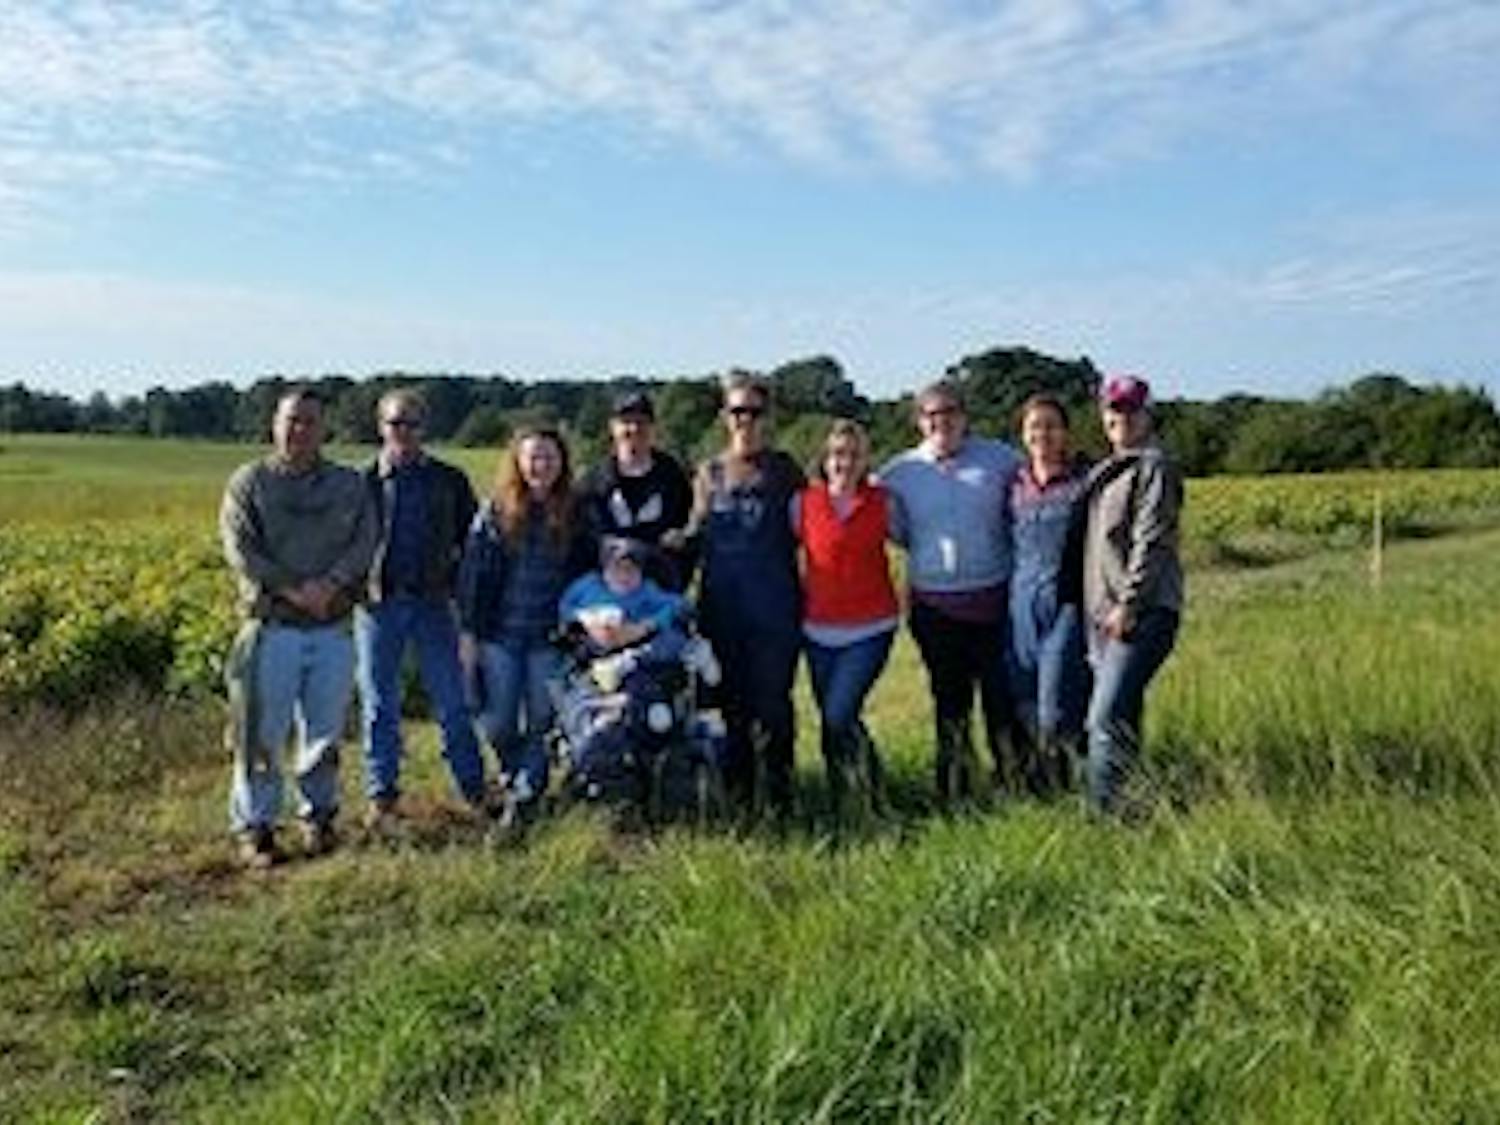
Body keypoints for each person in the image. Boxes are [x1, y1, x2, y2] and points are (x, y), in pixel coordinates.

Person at [220, 388, 377, 868]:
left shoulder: (348, 484)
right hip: (273, 627)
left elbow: (366, 539)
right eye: (291, 420)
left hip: (331, 628)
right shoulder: (250, 483)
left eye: (309, 421)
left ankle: (319, 816)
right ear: (274, 424)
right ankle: (256, 827)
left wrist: (331, 583)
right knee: (261, 733)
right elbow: (240, 548)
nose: (299, 430)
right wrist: (292, 589)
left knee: (324, 731)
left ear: (323, 428)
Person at [880, 379, 1024, 804]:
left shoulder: (1001, 459)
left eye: (950, 412)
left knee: (1002, 701)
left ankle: (1014, 785)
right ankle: (955, 791)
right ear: (918, 422)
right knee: (950, 704)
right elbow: (896, 530)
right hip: (934, 609)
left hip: (995, 603)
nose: (941, 422)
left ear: (965, 416)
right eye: (931, 414)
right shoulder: (900, 472)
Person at [354, 388, 485, 832]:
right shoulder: (361, 482)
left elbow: (475, 543)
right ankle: (382, 796)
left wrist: (465, 595)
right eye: (396, 424)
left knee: (452, 700)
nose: (404, 433)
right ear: (381, 427)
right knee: (379, 704)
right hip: (378, 604)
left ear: (424, 429)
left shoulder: (450, 480)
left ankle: (473, 788)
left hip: (434, 603)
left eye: (412, 424)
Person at [456, 426, 591, 827]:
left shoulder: (576, 513)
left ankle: (526, 795)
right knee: (496, 721)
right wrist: (468, 633)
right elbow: (473, 576)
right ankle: (516, 773)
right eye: (533, 456)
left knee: (540, 721)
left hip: (549, 639)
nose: (541, 465)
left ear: (562, 462)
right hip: (501, 634)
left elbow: (587, 573)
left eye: (549, 456)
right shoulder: (495, 510)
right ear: (518, 461)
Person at [689, 372, 806, 814]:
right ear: (725, 416)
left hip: (775, 607)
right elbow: (695, 535)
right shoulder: (708, 472)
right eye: (738, 411)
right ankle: (737, 796)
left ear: (766, 416)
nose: (746, 420)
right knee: (729, 705)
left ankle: (781, 794)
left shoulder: (785, 470)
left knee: (773, 704)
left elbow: (813, 528)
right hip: (721, 608)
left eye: (754, 411)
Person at [1079, 374, 1184, 815]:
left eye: (1130, 408)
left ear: (1147, 413)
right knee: (1123, 715)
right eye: (1113, 409)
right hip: (1103, 614)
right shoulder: (1108, 470)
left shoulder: (1152, 466)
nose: (1120, 417)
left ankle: (1103, 815)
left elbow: (1152, 540)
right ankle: (1133, 805)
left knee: (1101, 720)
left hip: (1140, 613)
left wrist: (1130, 604)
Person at [792, 419, 899, 819]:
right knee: (836, 721)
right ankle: (847, 797)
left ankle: (870, 793)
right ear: (825, 458)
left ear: (865, 460)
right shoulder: (803, 503)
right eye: (838, 454)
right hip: (818, 630)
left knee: (838, 715)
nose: (845, 463)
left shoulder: (883, 502)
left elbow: (912, 538)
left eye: (854, 455)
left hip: (871, 627)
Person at [1007, 393, 1091, 795]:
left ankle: (1081, 778)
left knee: (1056, 704)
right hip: (1021, 600)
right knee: (1023, 699)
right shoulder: (1014, 483)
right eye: (1034, 426)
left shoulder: (1085, 481)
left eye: (1051, 425)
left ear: (1066, 432)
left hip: (1069, 600)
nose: (1043, 433)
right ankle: (1045, 786)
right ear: (1023, 435)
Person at [575, 390, 695, 591]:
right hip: (606, 597)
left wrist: (676, 580)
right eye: (626, 421)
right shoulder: (592, 482)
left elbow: (688, 538)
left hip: (660, 594)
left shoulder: (674, 478)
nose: (634, 428)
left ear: (653, 427)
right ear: (612, 427)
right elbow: (583, 543)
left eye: (641, 421)